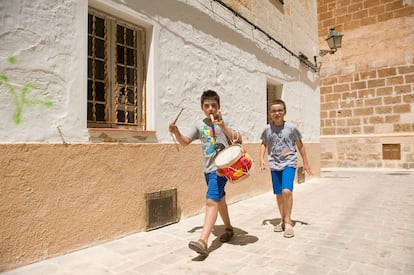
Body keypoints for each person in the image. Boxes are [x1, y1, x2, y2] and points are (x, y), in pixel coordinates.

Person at [169, 89, 242, 256]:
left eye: (214, 106)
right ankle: (229, 229)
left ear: (219, 107)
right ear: (202, 107)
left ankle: (203, 241)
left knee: (211, 200)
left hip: (222, 169)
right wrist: (176, 132)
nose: (211, 109)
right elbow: (185, 142)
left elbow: (239, 139)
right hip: (207, 170)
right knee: (219, 198)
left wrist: (223, 126)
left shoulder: (226, 121)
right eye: (207, 106)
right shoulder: (199, 125)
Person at [259, 99, 312, 238]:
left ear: (285, 112)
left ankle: (288, 222)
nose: (277, 113)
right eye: (274, 111)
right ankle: (282, 220)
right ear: (270, 113)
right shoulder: (267, 129)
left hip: (289, 162)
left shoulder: (291, 128)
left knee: (287, 191)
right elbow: (263, 143)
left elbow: (300, 145)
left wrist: (305, 162)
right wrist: (261, 159)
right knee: (279, 194)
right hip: (274, 164)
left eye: (280, 110)